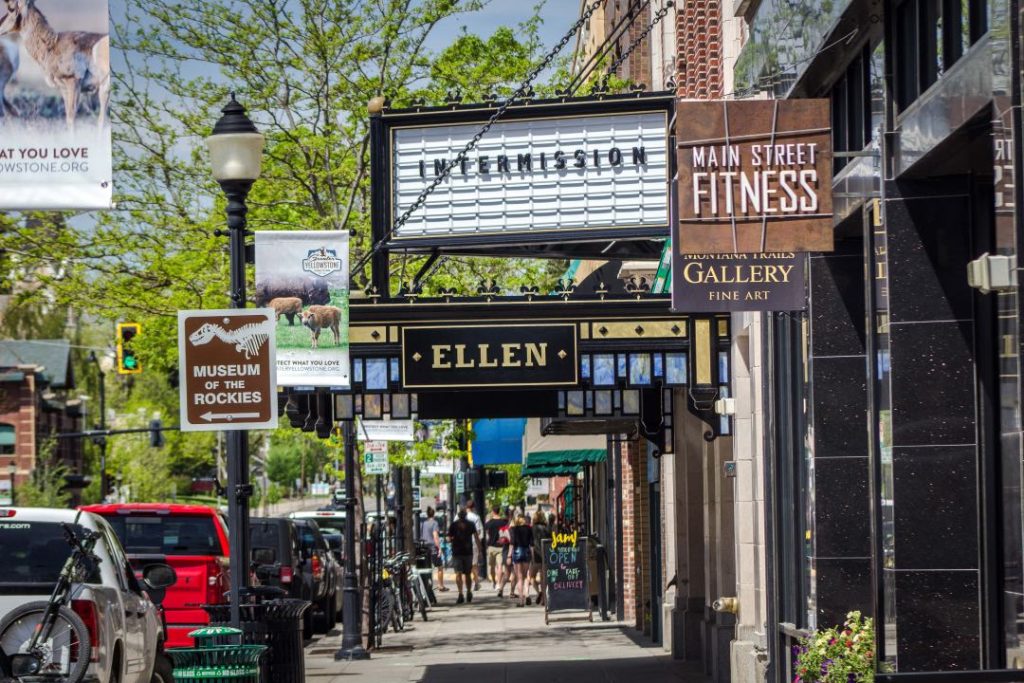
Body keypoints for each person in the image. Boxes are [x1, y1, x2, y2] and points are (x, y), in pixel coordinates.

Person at [447, 507, 481, 604]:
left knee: (458, 573)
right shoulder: (471, 524)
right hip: (467, 552)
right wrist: (480, 550)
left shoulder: (453, 525)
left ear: (458, 516)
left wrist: (452, 539)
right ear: (466, 515)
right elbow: (477, 538)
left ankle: (461, 593)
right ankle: (468, 592)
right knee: (467, 574)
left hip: (457, 552)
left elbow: (448, 538)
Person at [508, 514, 533, 607]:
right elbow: (532, 543)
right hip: (526, 551)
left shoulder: (514, 529)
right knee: (526, 576)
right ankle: (527, 594)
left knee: (519, 577)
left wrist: (509, 556)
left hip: (517, 551)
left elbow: (512, 542)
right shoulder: (529, 529)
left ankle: (521, 601)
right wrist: (532, 555)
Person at [420, 507, 447, 592]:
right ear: (433, 514)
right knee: (440, 567)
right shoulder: (434, 523)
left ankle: (427, 586)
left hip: (425, 548)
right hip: (433, 548)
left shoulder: (423, 523)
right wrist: (439, 548)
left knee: (427, 568)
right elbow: (435, 536)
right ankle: (440, 585)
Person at [483, 506, 508, 589]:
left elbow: (485, 532)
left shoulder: (489, 522)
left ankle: (494, 581)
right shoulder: (504, 522)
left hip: (491, 546)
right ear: (499, 511)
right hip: (501, 546)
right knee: (500, 566)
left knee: (492, 566)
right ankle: (498, 583)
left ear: (493, 512)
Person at [529, 509, 550, 605]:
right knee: (543, 577)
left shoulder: (532, 529)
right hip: (545, 553)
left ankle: (539, 592)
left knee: (531, 576)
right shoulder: (547, 528)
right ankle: (544, 599)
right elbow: (551, 540)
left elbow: (531, 543)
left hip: (535, 554)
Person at [464, 499, 484, 591]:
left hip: (461, 544)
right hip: (473, 543)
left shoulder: (458, 516)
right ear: (473, 507)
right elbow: (479, 532)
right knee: (474, 564)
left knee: (464, 564)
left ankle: (465, 585)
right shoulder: (476, 517)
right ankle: (476, 583)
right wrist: (480, 548)